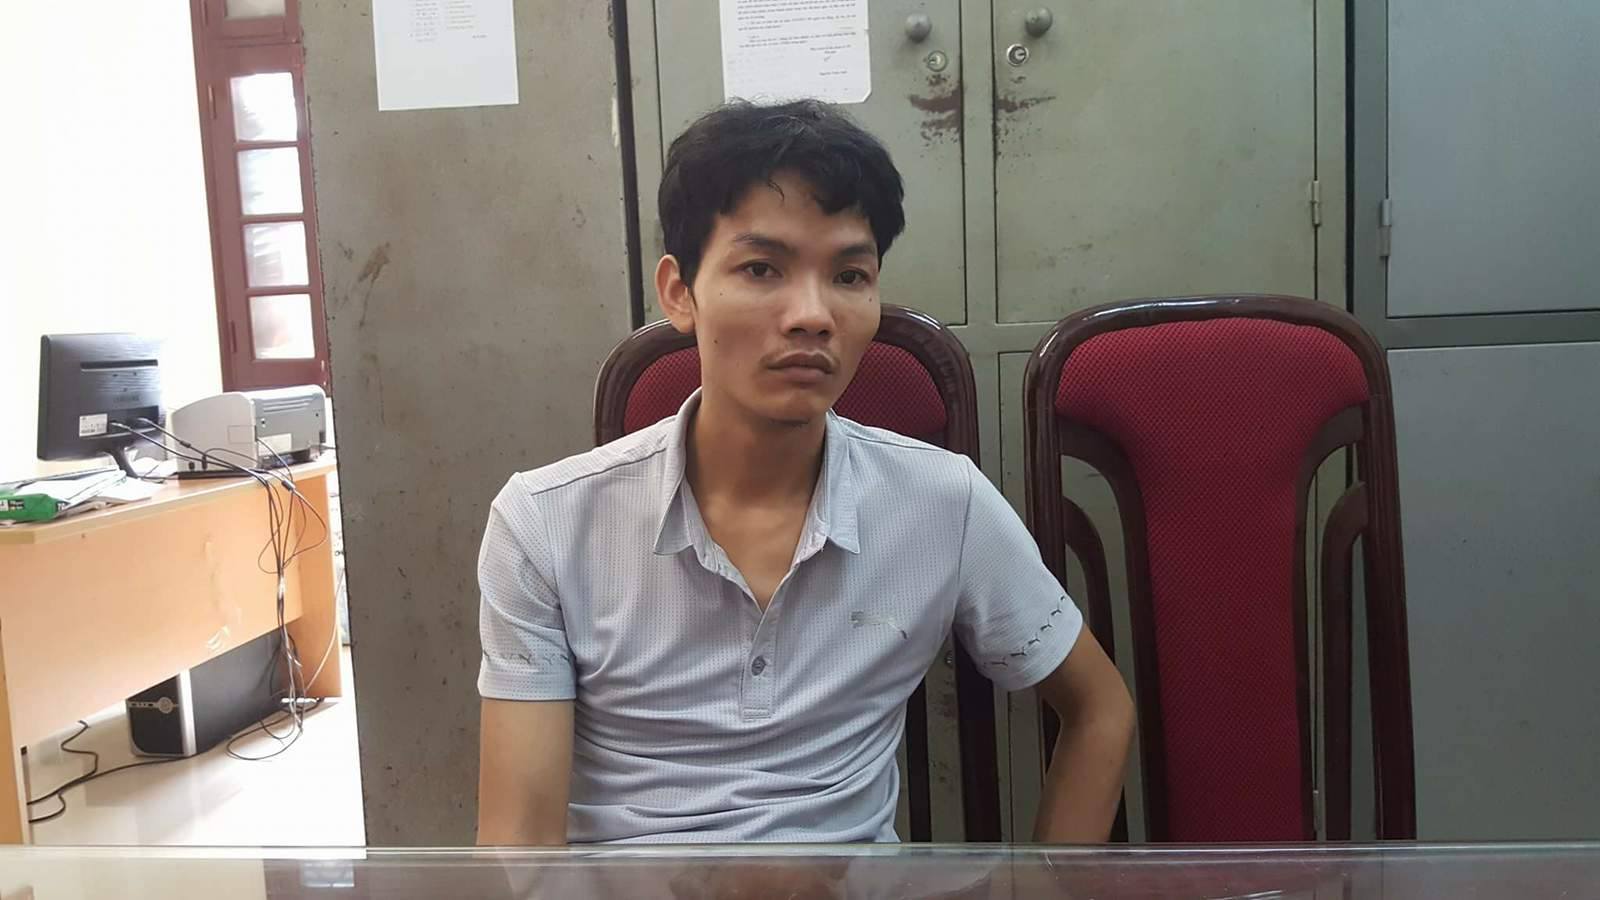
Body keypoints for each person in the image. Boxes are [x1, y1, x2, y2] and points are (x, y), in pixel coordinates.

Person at [475, 99, 1134, 846]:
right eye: (761, 269)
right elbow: (518, 847)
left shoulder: (941, 504)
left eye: (850, 275)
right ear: (679, 291)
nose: (813, 315)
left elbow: (1100, 708)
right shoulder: (547, 522)